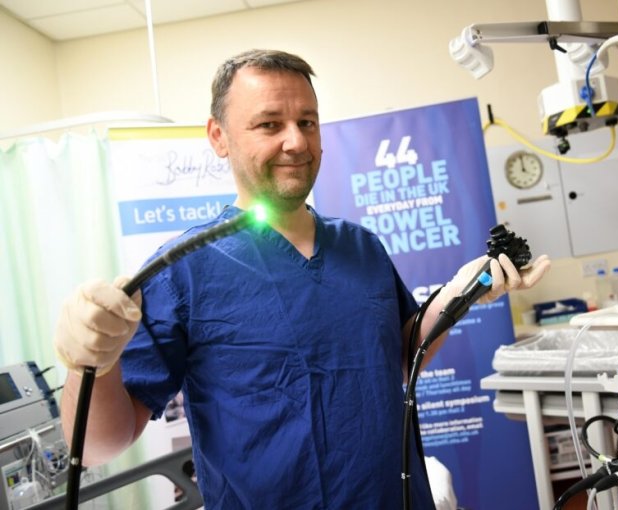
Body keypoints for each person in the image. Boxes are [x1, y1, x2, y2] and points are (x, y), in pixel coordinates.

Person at [54, 49, 551, 509]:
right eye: (270, 124)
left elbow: (401, 356)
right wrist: (87, 363)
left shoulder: (361, 246)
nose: (295, 141)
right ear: (218, 137)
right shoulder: (183, 269)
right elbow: (99, 445)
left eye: (307, 122)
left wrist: (460, 291)